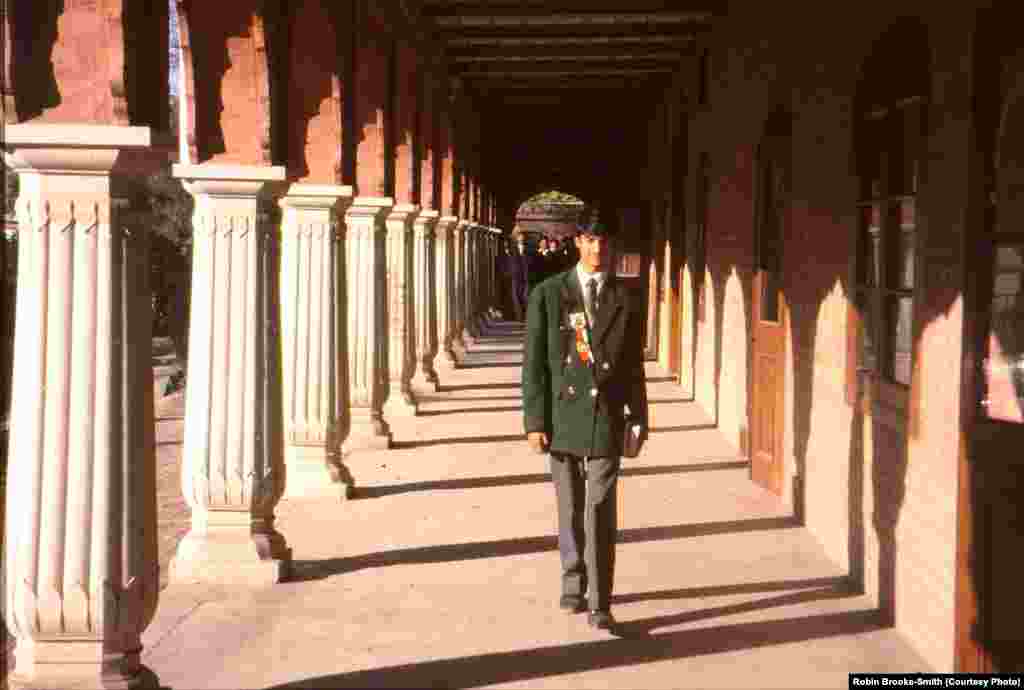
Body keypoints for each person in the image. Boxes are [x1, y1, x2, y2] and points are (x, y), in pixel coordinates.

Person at [521, 219, 649, 631]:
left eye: (604, 241)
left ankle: (601, 601)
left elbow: (633, 366)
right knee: (570, 506)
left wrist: (640, 417)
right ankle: (573, 583)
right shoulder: (548, 295)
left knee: (600, 509)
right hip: (562, 416)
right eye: (591, 240)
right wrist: (534, 421)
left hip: (608, 415)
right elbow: (535, 365)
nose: (598, 249)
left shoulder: (626, 298)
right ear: (578, 242)